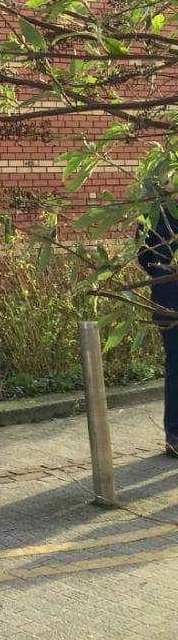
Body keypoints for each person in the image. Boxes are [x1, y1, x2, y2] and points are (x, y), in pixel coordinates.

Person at [138, 181, 178, 458]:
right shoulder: (155, 213)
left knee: (176, 366)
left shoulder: (154, 212)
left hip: (165, 298)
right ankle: (175, 434)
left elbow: (143, 258)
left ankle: (175, 435)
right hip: (169, 301)